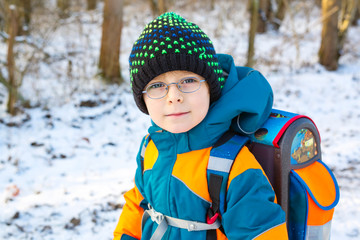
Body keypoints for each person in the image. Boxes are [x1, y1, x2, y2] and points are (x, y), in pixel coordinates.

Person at [113, 12, 288, 240]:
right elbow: (138, 204)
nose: (174, 96)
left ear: (210, 88)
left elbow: (261, 232)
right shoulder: (151, 149)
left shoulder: (232, 166)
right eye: (157, 85)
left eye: (188, 81)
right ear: (142, 99)